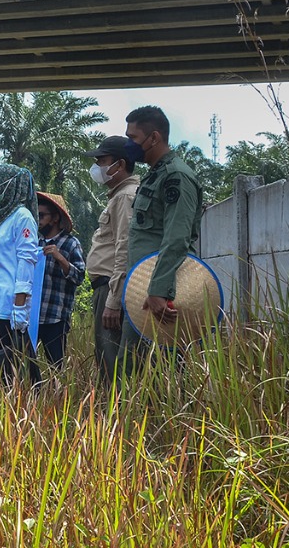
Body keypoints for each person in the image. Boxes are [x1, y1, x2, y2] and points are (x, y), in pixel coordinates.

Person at [122, 106, 204, 373]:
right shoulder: (155, 175)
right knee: (133, 371)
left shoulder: (175, 176)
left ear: (154, 137)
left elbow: (176, 237)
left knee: (163, 375)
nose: (129, 144)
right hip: (142, 289)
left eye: (133, 138)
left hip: (164, 294)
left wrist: (159, 290)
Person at [0, 164, 41, 385]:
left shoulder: (22, 216)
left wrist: (20, 305)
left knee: (16, 369)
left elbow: (26, 260)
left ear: (8, 184)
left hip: (9, 304)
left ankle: (27, 409)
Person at [82, 136, 140, 385]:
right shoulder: (118, 196)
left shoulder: (125, 197)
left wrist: (113, 301)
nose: (97, 167)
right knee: (107, 357)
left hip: (110, 288)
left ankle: (115, 416)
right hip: (105, 287)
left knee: (111, 360)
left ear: (120, 164)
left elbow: (124, 249)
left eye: (102, 161)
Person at [34, 192, 85, 374]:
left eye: (42, 215)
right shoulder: (35, 243)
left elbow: (79, 276)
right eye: (36, 215)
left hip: (55, 316)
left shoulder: (70, 243)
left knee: (56, 367)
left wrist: (60, 258)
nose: (38, 220)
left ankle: (59, 398)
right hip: (32, 316)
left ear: (55, 218)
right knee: (26, 363)